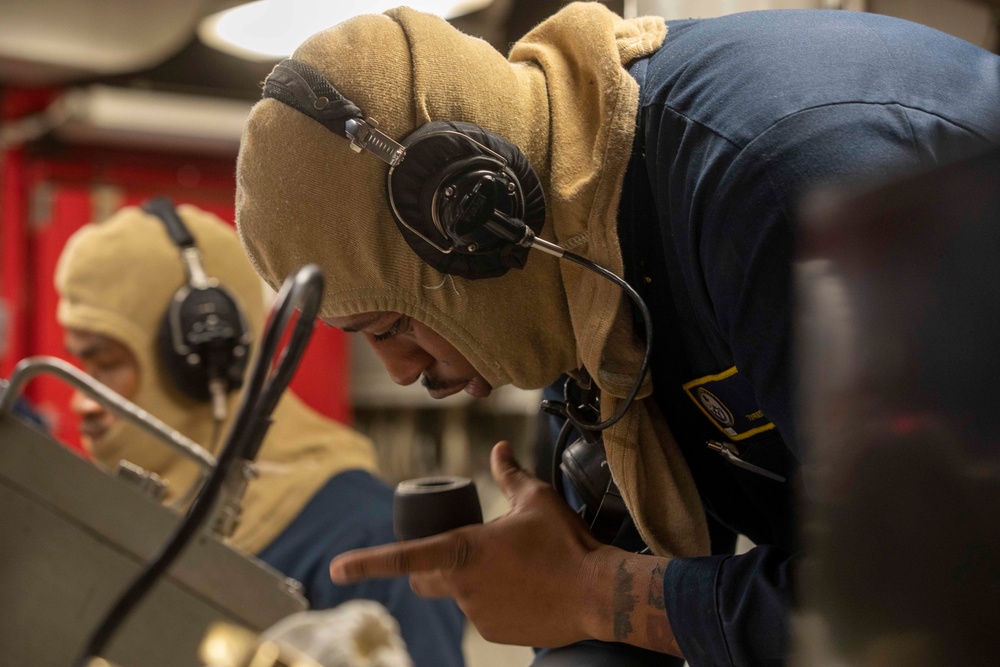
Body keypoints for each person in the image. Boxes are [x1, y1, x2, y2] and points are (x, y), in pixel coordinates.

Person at [232, 3, 1000, 665]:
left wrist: (595, 595)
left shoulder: (777, 188)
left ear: (475, 212)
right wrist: (564, 594)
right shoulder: (581, 282)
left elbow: (944, 601)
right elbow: (597, 587)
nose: (398, 372)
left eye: (392, 322)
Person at [54, 203, 466, 667]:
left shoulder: (367, 540)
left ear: (208, 359)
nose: (81, 403)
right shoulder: (123, 517)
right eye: (80, 365)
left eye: (107, 363)